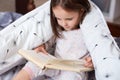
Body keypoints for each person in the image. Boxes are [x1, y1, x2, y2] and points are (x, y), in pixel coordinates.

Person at [12, 0, 93, 80]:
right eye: (59, 19)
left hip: (73, 70)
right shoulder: (59, 29)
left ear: (81, 11)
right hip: (56, 64)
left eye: (69, 19)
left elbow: (96, 50)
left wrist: (91, 60)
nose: (64, 23)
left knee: (71, 77)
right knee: (35, 64)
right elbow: (49, 41)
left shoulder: (87, 32)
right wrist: (42, 46)